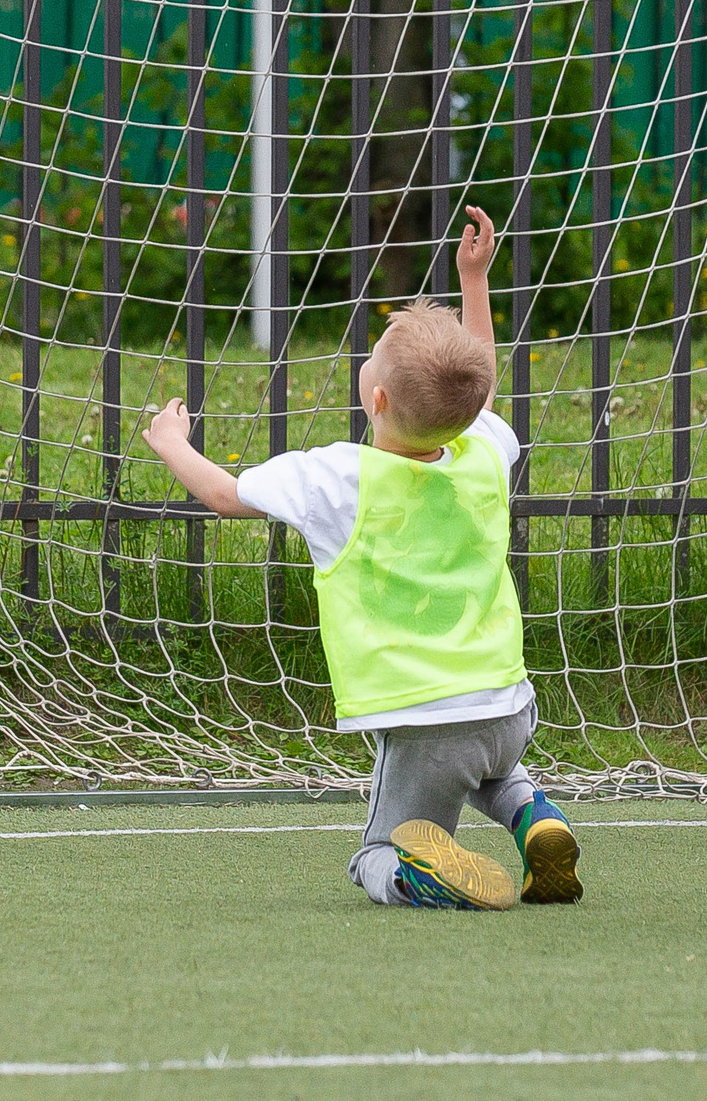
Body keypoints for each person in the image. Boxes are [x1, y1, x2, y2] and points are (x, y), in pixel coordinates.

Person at [143, 205, 579, 911]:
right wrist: (475, 281)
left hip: (422, 718)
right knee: (490, 764)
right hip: (509, 705)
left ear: (375, 396)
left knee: (376, 849)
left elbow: (225, 496)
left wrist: (171, 443)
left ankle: (416, 873)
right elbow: (484, 384)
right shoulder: (485, 452)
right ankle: (536, 817)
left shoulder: (340, 478)